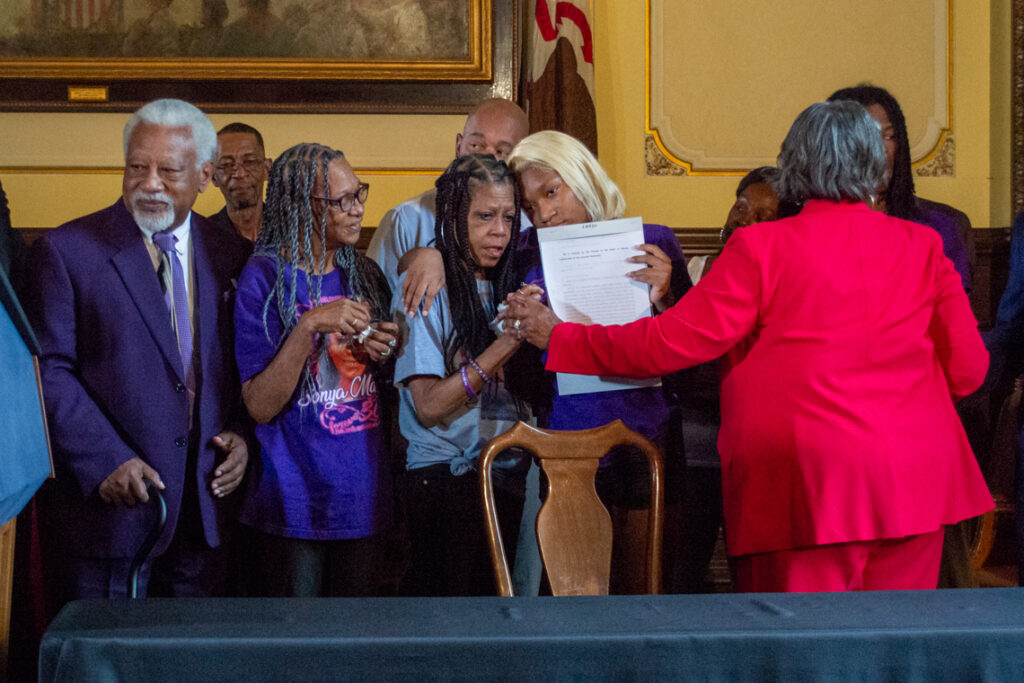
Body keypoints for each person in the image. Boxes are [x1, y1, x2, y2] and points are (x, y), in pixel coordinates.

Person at [507, 100, 993, 592]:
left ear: (794, 168)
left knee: (798, 652)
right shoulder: (924, 245)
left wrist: (563, 336)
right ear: (877, 166)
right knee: (894, 650)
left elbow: (669, 343)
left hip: (802, 485)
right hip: (914, 482)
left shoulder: (763, 248)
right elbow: (970, 370)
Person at [23, 99, 251, 601]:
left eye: (168, 170)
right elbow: (49, 371)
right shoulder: (67, 252)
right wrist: (105, 460)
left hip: (202, 514)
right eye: (136, 167)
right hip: (109, 521)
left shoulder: (231, 254)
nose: (150, 183)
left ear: (205, 175)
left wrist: (240, 433)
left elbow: (245, 363)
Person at [506, 130, 690, 593]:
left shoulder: (654, 242)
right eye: (530, 207)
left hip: (648, 437)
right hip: (565, 444)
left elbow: (691, 361)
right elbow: (524, 383)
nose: (544, 214)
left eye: (552, 192)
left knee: (645, 592)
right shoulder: (525, 254)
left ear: (581, 176)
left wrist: (669, 300)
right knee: (575, 597)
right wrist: (524, 331)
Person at [233, 143, 398, 597]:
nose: (357, 208)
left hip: (362, 494)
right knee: (295, 650)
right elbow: (260, 405)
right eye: (341, 200)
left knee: (354, 649)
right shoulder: (264, 278)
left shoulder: (361, 272)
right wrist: (308, 324)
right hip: (293, 501)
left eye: (358, 193)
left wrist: (383, 349)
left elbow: (379, 376)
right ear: (301, 208)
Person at [394, 154, 530, 596]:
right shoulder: (429, 284)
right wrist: (505, 345)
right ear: (454, 217)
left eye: (509, 217)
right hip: (444, 478)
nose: (500, 232)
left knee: (497, 620)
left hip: (505, 471)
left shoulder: (514, 279)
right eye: (485, 216)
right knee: (446, 622)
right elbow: (430, 406)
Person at [367, 98, 529, 308]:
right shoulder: (406, 220)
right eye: (476, 146)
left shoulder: (529, 223)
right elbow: (372, 306)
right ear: (458, 146)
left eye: (501, 152)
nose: (486, 159)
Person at [827, 85, 973, 293]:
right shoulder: (810, 231)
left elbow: (954, 317)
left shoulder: (937, 228)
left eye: (889, 137)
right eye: (866, 138)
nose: (880, 150)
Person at [688, 167, 798, 285]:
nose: (743, 221)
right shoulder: (692, 268)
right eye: (740, 208)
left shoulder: (779, 283)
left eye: (760, 217)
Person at [209, 122, 270, 242]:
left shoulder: (293, 232)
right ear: (213, 176)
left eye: (250, 162)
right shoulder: (202, 237)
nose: (239, 174)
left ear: (266, 169)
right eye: (226, 165)